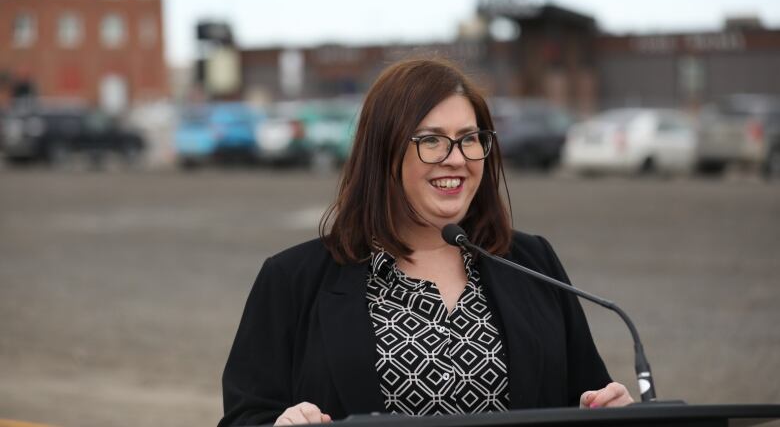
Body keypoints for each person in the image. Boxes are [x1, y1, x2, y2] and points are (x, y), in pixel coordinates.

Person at [219, 58, 632, 426]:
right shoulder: (292, 279)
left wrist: (609, 410)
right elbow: (245, 416)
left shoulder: (533, 262)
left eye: (469, 138)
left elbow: (586, 394)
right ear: (383, 152)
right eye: (431, 139)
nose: (456, 158)